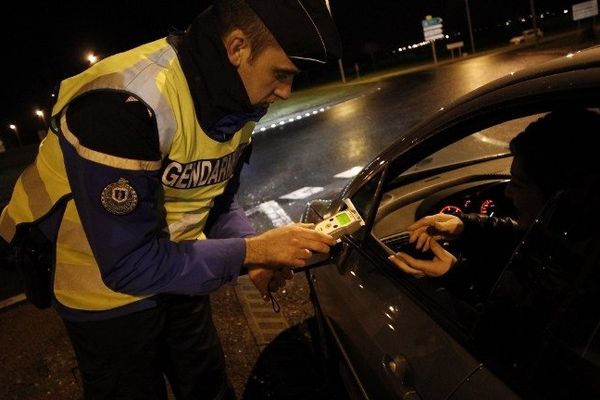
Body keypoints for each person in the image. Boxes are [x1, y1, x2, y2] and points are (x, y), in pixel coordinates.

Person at [0, 1, 341, 399]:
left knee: (208, 385)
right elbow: (129, 265)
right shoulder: (125, 104)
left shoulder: (238, 96)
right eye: (281, 75)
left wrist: (257, 258)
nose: (285, 91)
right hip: (102, 291)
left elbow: (213, 198)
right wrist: (249, 252)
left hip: (178, 267)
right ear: (237, 47)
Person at [388, 107, 600, 279]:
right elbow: (526, 237)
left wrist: (455, 273)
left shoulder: (580, 281)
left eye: (517, 184)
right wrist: (464, 225)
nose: (507, 192)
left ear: (562, 196)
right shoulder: (572, 238)